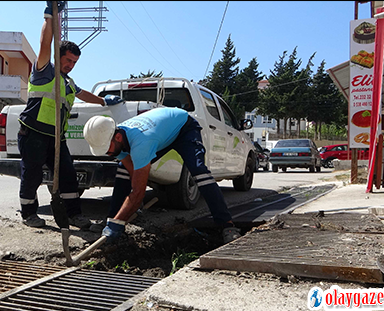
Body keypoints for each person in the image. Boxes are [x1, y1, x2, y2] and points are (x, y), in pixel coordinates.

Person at [18, 1, 123, 229]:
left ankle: (74, 215)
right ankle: (29, 214)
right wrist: (50, 14)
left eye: (74, 62)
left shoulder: (67, 82)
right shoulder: (45, 70)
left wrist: (104, 100)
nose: (70, 65)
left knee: (68, 176)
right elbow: (45, 42)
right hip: (34, 132)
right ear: (59, 57)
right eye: (67, 60)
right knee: (32, 176)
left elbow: (83, 94)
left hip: (56, 137)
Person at [83, 107, 242, 244]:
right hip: (161, 132)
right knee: (122, 171)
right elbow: (132, 171)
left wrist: (130, 207)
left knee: (199, 172)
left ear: (117, 137)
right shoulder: (114, 138)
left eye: (107, 148)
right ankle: (112, 220)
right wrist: (126, 211)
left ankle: (227, 226)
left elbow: (138, 192)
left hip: (184, 127)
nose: (107, 153)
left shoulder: (141, 143)